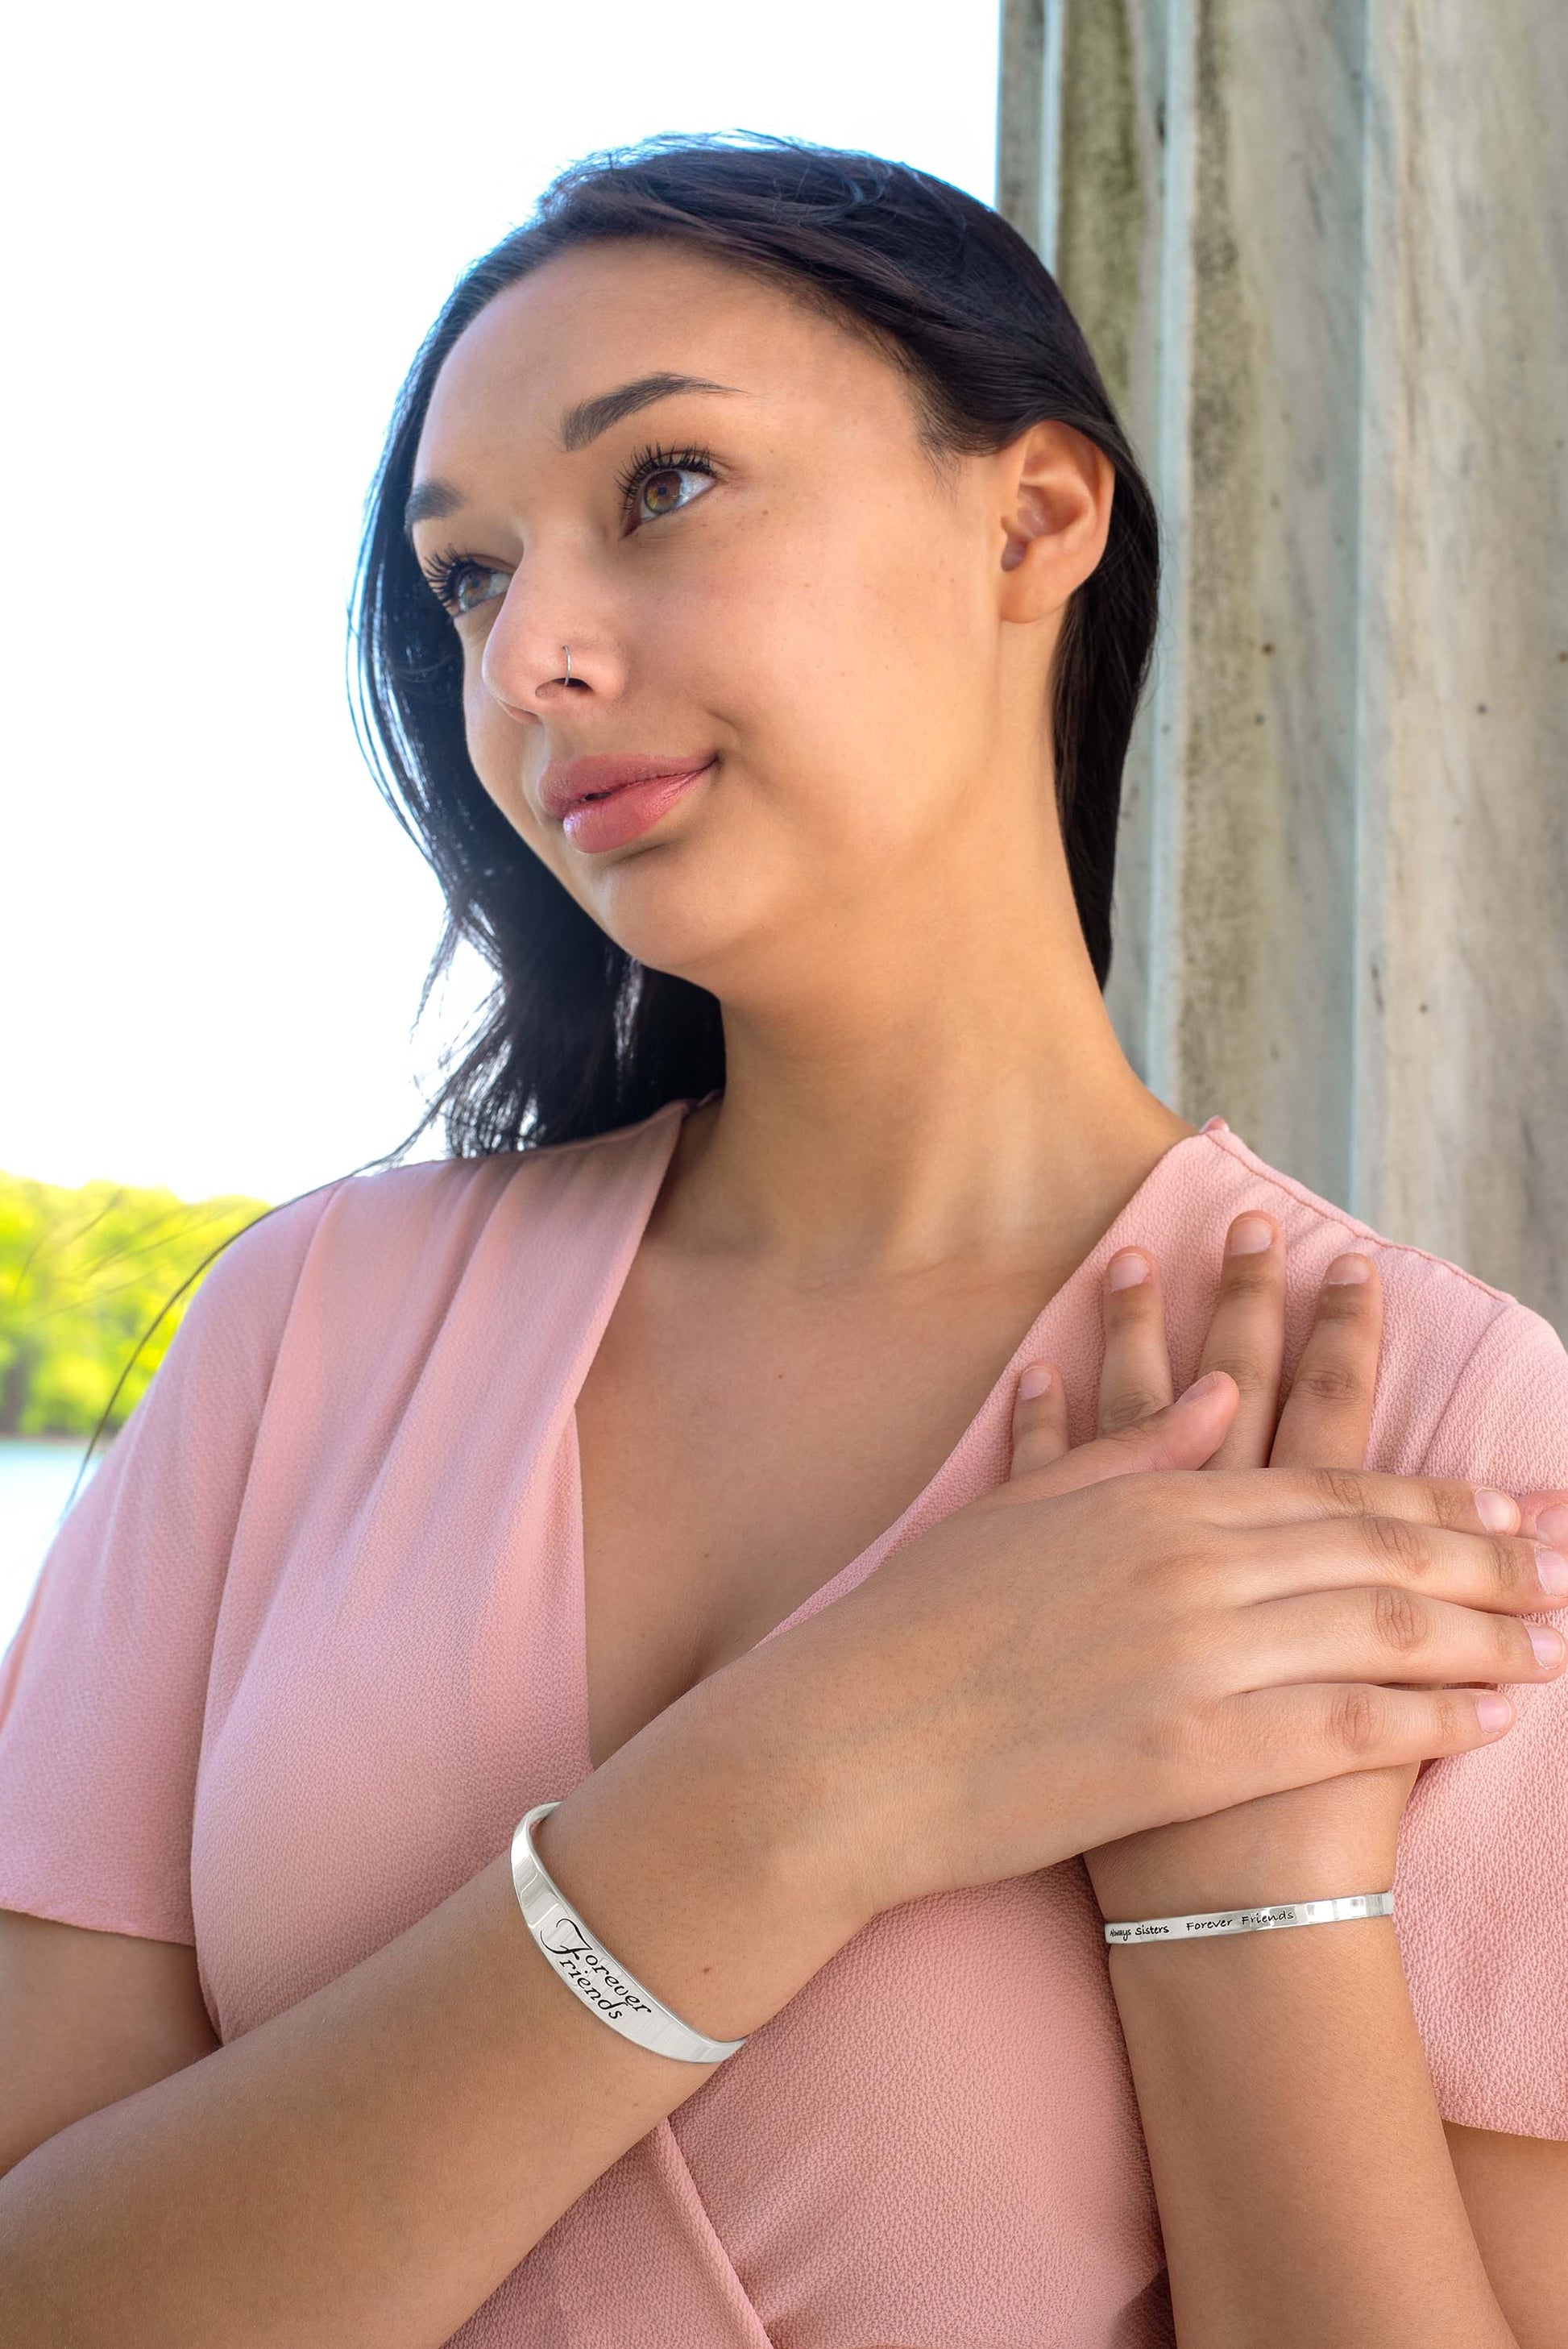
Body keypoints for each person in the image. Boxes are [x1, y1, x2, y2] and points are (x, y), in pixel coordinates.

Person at [0, 134, 1564, 2347]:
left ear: (1033, 517)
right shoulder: (302, 1337)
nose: (527, 654)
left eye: (662, 488)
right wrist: (799, 1787)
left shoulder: (1438, 1424)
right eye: (464, 580)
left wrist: (1246, 1913)